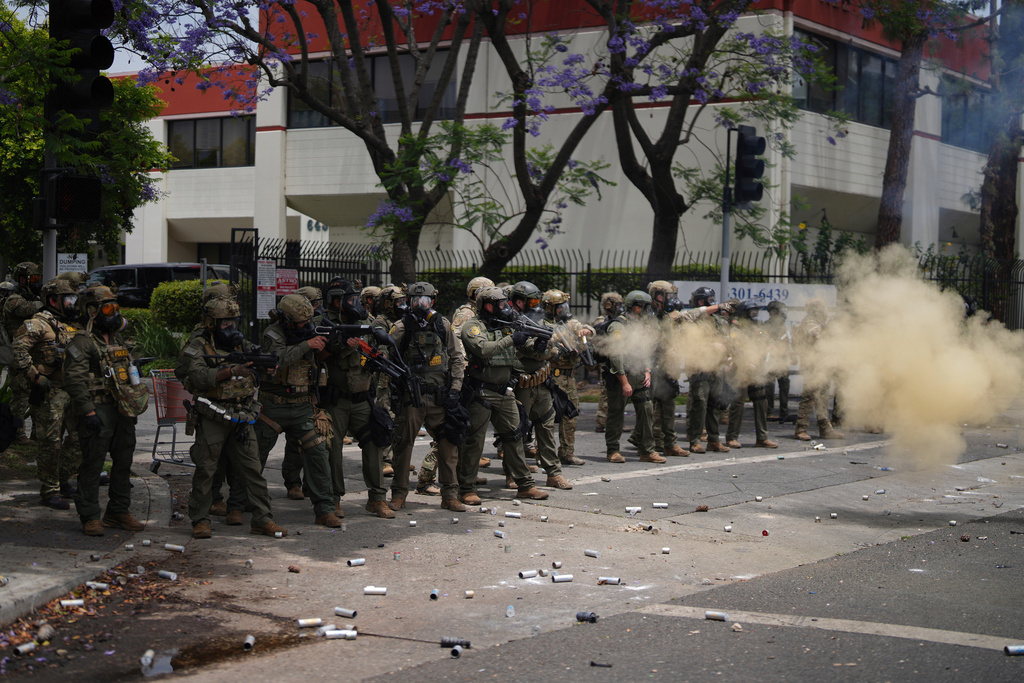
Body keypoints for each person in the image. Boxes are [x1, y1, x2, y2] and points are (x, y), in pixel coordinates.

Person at [180, 297, 287, 539]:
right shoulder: (198, 346)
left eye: (234, 322)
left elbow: (257, 363)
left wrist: (266, 368)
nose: (231, 328)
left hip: (242, 414)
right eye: (225, 323)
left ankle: (263, 518)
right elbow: (197, 376)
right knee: (206, 469)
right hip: (212, 414)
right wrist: (230, 370)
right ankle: (200, 519)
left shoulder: (240, 345)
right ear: (211, 324)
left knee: (252, 469)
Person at [64, 286, 146, 536]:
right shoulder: (82, 342)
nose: (114, 313)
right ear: (92, 310)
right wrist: (88, 412)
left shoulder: (117, 339)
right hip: (98, 410)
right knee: (93, 463)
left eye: (116, 308)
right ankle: (89, 515)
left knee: (124, 461)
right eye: (109, 308)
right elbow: (74, 379)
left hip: (122, 409)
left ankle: (118, 511)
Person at [253, 294, 341, 527]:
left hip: (303, 404)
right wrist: (307, 344)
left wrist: (331, 344)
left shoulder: (309, 331)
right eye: (301, 323)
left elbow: (318, 357)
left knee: (319, 451)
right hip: (273, 405)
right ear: (286, 320)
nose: (306, 326)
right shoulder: (273, 334)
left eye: (307, 322)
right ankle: (240, 502)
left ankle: (325, 509)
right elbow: (278, 359)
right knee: (254, 455)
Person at [458, 286, 548, 504]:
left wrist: (539, 343)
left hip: (505, 391)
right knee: (475, 441)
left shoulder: (507, 326)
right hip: (481, 391)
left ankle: (525, 485)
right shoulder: (473, 326)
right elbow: (483, 349)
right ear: (487, 305)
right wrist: (513, 339)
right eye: (499, 304)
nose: (504, 308)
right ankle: (467, 488)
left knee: (515, 436)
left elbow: (526, 347)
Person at [386, 281, 468, 511]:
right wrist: (394, 392)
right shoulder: (402, 328)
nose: (420, 305)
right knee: (403, 445)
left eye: (425, 301)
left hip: (441, 397)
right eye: (415, 301)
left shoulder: (442, 325)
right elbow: (388, 361)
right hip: (413, 398)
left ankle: (450, 495)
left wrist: (455, 390)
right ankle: (399, 494)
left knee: (448, 445)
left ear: (432, 302)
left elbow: (457, 358)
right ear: (409, 302)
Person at [318, 281, 395, 518]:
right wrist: (342, 346)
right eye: (345, 300)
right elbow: (315, 354)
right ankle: (334, 499)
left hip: (363, 397)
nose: (352, 304)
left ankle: (377, 498)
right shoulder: (323, 324)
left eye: (354, 299)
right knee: (333, 449)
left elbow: (378, 350)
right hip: (335, 399)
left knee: (374, 443)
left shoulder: (368, 324)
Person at [12, 279, 82, 509]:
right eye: (68, 299)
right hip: (50, 393)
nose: (73, 304)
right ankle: (50, 490)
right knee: (51, 443)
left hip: (72, 391)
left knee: (78, 438)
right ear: (53, 300)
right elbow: (19, 350)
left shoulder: (70, 324)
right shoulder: (38, 323)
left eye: (74, 299)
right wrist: (35, 376)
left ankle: (64, 480)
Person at [509, 281, 572, 490]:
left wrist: (550, 347)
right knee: (517, 430)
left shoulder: (536, 321)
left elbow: (548, 348)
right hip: (522, 384)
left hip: (541, 381)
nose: (536, 305)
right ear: (519, 301)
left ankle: (554, 473)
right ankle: (512, 474)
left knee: (546, 426)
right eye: (532, 301)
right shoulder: (510, 321)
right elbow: (530, 350)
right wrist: (549, 350)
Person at [600, 290, 664, 464]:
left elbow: (644, 350)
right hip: (622, 377)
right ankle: (613, 450)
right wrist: (624, 382)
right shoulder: (618, 326)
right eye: (644, 307)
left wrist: (647, 370)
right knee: (616, 414)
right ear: (636, 307)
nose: (646, 311)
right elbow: (616, 355)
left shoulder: (639, 326)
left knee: (647, 410)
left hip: (639, 375)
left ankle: (647, 450)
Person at [279, 286, 326, 502]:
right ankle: (292, 483)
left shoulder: (313, 326)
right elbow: (279, 358)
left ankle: (312, 488)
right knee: (293, 446)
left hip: (307, 395)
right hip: (281, 401)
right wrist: (307, 344)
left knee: (315, 447)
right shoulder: (277, 332)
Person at [542, 289, 593, 466]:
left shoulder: (569, 323)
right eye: (560, 307)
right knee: (547, 417)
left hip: (569, 378)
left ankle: (567, 452)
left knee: (570, 416)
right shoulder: (542, 324)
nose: (564, 309)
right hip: (551, 377)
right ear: (550, 308)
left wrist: (586, 331)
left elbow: (583, 327)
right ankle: (544, 454)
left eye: (564, 306)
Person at [682, 287, 733, 454]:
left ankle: (714, 440)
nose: (713, 302)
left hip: (716, 367)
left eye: (713, 299)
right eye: (709, 299)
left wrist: (729, 356)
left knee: (715, 404)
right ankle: (695, 440)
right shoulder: (692, 318)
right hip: (699, 367)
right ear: (701, 301)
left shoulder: (718, 321)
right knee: (700, 403)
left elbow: (726, 340)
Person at [724, 301, 778, 449]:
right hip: (741, 369)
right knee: (738, 402)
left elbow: (764, 339)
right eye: (752, 311)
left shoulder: (756, 326)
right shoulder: (736, 326)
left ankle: (762, 437)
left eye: (756, 311)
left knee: (761, 400)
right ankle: (731, 437)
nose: (754, 314)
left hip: (755, 369)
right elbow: (735, 345)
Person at [647, 280, 689, 458]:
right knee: (649, 408)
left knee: (669, 404)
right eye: (667, 295)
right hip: (652, 367)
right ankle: (648, 444)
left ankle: (670, 444)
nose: (670, 299)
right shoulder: (648, 317)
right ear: (657, 295)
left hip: (667, 367)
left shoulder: (667, 316)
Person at [3, 262, 44, 444]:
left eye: (38, 279)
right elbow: (27, 309)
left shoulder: (32, 297)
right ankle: (17, 434)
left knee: (37, 395)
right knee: (20, 396)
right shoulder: (14, 299)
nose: (36, 282)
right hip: (18, 355)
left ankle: (37, 434)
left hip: (34, 354)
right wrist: (43, 300)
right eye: (33, 279)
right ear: (22, 279)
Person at [793, 298, 844, 441]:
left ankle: (825, 429)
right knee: (809, 397)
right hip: (812, 366)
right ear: (816, 309)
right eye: (822, 307)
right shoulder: (810, 323)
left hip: (822, 365)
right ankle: (800, 429)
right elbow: (819, 337)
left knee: (822, 397)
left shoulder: (818, 323)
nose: (825, 311)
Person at [592, 291, 623, 433]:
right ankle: (601, 421)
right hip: (604, 359)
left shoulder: (619, 319)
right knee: (605, 390)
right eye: (617, 304)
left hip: (614, 357)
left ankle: (612, 421)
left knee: (615, 392)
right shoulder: (601, 320)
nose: (619, 307)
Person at [763, 300, 793, 422]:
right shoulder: (766, 326)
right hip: (771, 360)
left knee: (784, 386)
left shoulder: (783, 327)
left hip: (782, 360)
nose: (784, 314)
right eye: (781, 311)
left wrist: (791, 355)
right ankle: (769, 411)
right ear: (773, 313)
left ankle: (784, 412)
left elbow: (787, 342)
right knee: (769, 387)